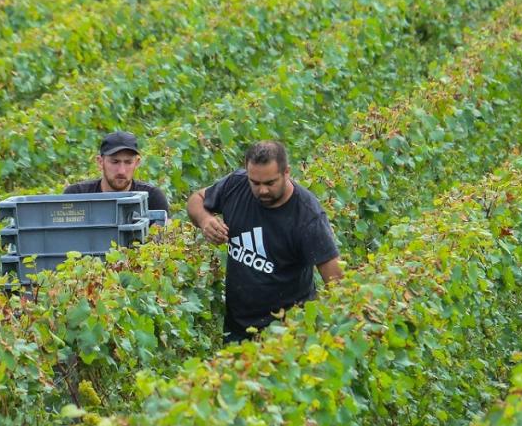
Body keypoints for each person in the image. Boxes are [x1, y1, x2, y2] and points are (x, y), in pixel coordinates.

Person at [187, 140, 343, 343]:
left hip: (287, 335)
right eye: (255, 182)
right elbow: (196, 200)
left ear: (287, 172)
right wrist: (205, 219)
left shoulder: (307, 216)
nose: (262, 191)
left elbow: (337, 282)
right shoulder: (236, 184)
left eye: (270, 183)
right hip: (237, 330)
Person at [64, 131, 168, 213]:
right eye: (115, 162)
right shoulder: (76, 195)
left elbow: (167, 235)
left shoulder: (153, 198)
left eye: (128, 162)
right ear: (100, 162)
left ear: (137, 163)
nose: (121, 171)